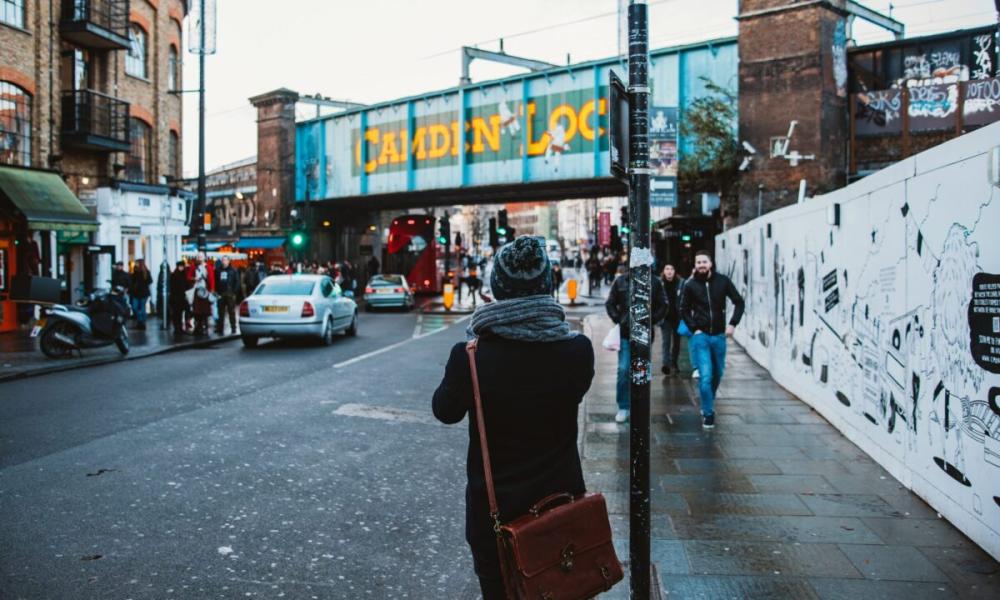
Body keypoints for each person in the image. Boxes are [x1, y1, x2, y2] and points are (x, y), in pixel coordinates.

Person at [432, 236, 594, 599]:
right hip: (560, 508)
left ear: (497, 289)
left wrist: (475, 339)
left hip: (495, 518)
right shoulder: (578, 351)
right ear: (547, 286)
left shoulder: (470, 357)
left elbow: (444, 410)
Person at [679, 250, 745, 429]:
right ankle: (708, 412)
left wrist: (732, 324)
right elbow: (683, 309)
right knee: (706, 376)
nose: (701, 265)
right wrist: (694, 328)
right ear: (695, 265)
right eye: (698, 262)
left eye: (704, 262)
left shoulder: (722, 281)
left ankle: (708, 399)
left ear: (710, 263)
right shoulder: (690, 285)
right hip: (701, 337)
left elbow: (739, 302)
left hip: (719, 337)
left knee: (718, 374)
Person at [605, 264, 668, 423]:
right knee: (624, 368)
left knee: (641, 370)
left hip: (645, 335)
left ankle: (640, 405)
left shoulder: (654, 281)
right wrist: (619, 319)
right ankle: (624, 406)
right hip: (626, 333)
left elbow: (663, 304)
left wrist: (651, 320)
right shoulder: (621, 281)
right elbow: (610, 303)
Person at [659, 264, 685, 375]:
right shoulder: (660, 283)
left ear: (675, 271)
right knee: (666, 342)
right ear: (663, 271)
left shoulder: (681, 283)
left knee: (676, 343)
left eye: (672, 269)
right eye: (667, 269)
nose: (669, 271)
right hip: (665, 318)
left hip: (677, 318)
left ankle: (674, 362)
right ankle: (666, 364)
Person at [186, 252, 215, 336]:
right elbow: (188, 277)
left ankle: (204, 326)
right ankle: (197, 326)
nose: (199, 258)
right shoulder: (193, 267)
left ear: (204, 258)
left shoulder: (208, 267)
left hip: (205, 290)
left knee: (205, 310)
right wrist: (194, 278)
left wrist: (212, 290)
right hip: (196, 289)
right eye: (198, 257)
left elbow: (212, 279)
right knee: (196, 310)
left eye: (201, 257)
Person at [214, 256, 240, 335]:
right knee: (220, 312)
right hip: (220, 293)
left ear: (229, 261)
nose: (224, 261)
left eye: (225, 260)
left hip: (230, 293)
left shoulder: (233, 270)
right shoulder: (218, 270)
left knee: (231, 311)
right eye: (223, 260)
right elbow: (215, 281)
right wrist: (216, 291)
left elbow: (237, 282)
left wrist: (234, 292)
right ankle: (220, 328)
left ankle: (233, 328)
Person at [128, 259, 153, 330]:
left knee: (141, 307)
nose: (136, 264)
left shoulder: (146, 272)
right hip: (137, 293)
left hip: (143, 293)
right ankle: (140, 321)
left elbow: (150, 281)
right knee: (135, 307)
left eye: (137, 263)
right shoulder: (135, 272)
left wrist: (142, 284)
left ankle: (141, 322)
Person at [169, 261, 192, 335]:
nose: (181, 268)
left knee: (185, 310)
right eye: (180, 266)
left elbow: (186, 285)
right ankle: (178, 328)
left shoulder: (183, 275)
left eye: (182, 266)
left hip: (182, 297)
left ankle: (182, 326)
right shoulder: (174, 275)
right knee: (177, 314)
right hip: (176, 298)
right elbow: (173, 287)